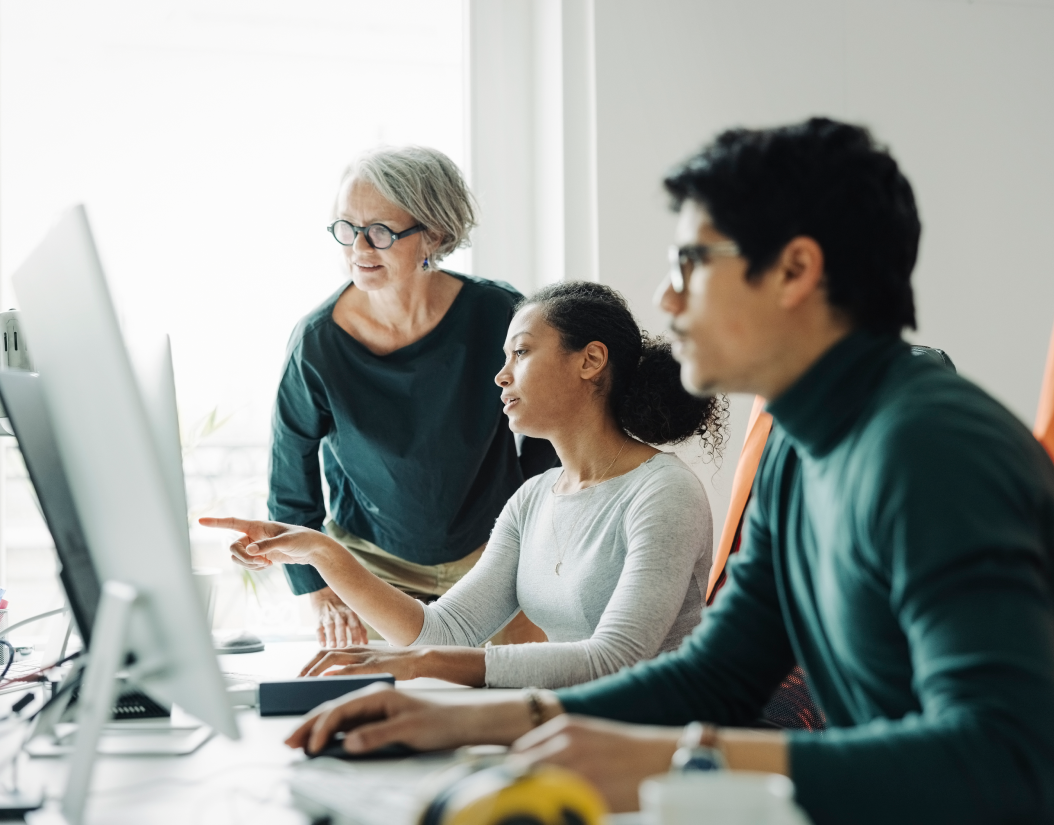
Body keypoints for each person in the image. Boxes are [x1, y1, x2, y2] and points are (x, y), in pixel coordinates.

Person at [277, 119, 1054, 825]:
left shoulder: (933, 452)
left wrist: (658, 758)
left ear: (794, 270)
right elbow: (714, 674)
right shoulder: (797, 448)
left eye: (693, 261)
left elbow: (1006, 762)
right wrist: (471, 717)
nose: (665, 295)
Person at [204, 282, 724, 688]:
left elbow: (615, 660)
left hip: (654, 739)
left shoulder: (662, 492)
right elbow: (441, 631)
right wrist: (321, 553)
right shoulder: (532, 500)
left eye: (520, 353)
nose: (501, 376)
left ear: (589, 361)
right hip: (565, 725)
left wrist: (428, 665)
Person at [267, 145, 556, 648]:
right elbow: (291, 478)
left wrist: (535, 552)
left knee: (506, 709)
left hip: (494, 562)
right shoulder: (316, 342)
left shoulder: (499, 313)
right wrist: (319, 590)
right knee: (392, 712)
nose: (358, 248)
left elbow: (545, 439)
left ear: (434, 234)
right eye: (345, 228)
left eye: (379, 231)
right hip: (372, 571)